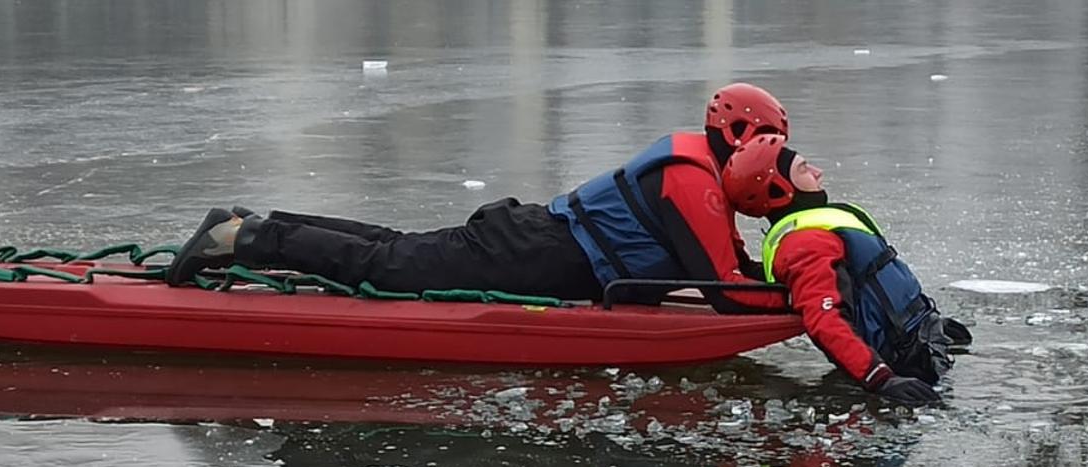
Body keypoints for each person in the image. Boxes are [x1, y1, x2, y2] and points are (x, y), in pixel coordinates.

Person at [163, 83, 791, 312]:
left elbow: (728, 261)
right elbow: (728, 293)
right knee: (388, 266)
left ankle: (256, 224)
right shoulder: (693, 182)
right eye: (765, 141)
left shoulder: (693, 165)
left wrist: (787, 275)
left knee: (393, 248)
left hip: (535, 240)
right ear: (738, 135)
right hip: (533, 253)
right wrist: (802, 299)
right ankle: (242, 238)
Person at [719, 133, 972, 406]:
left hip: (918, 341)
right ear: (781, 190)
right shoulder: (806, 244)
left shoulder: (811, 233)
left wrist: (930, 325)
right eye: (803, 168)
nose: (818, 172)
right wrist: (881, 378)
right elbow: (825, 321)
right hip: (904, 364)